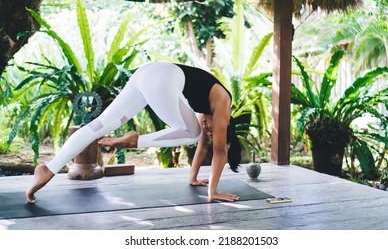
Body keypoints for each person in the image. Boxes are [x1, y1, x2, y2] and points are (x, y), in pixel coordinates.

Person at [26, 62, 241, 203]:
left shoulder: (210, 109)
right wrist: (213, 193)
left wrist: (193, 179)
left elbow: (204, 146)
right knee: (192, 133)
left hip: (147, 73)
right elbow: (219, 151)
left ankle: (48, 168)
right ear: (226, 122)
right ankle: (134, 140)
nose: (207, 128)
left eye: (209, 130)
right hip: (161, 79)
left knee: (99, 125)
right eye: (212, 129)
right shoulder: (224, 104)